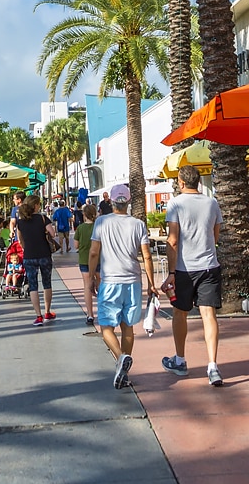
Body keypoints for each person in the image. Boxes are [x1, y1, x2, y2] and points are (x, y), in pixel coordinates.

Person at [85, 184, 156, 388]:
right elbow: (147, 256)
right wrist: (151, 283)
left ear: (112, 202)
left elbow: (93, 252)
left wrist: (91, 277)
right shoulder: (138, 224)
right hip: (133, 281)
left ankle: (120, 359)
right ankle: (124, 369)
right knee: (128, 328)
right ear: (128, 201)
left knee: (106, 327)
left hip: (110, 281)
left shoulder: (101, 222)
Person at [160, 165, 225, 386]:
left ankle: (180, 361)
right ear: (198, 182)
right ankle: (213, 367)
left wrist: (170, 273)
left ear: (180, 182)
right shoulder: (212, 202)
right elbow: (215, 236)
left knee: (180, 314)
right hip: (209, 266)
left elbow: (173, 239)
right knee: (209, 315)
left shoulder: (175, 204)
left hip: (184, 269)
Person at [15, 195, 59, 325]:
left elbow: (20, 240)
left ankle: (38, 316)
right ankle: (47, 312)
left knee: (33, 286)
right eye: (39, 204)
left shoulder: (21, 222)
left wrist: (25, 247)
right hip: (44, 254)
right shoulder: (42, 218)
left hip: (29, 256)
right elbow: (52, 234)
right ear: (35, 206)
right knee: (47, 283)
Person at [74, 201, 99, 324]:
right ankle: (103, 310)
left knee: (87, 286)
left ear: (84, 215)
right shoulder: (98, 227)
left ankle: (90, 314)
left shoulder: (80, 228)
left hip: (84, 260)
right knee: (101, 285)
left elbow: (76, 245)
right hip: (99, 259)